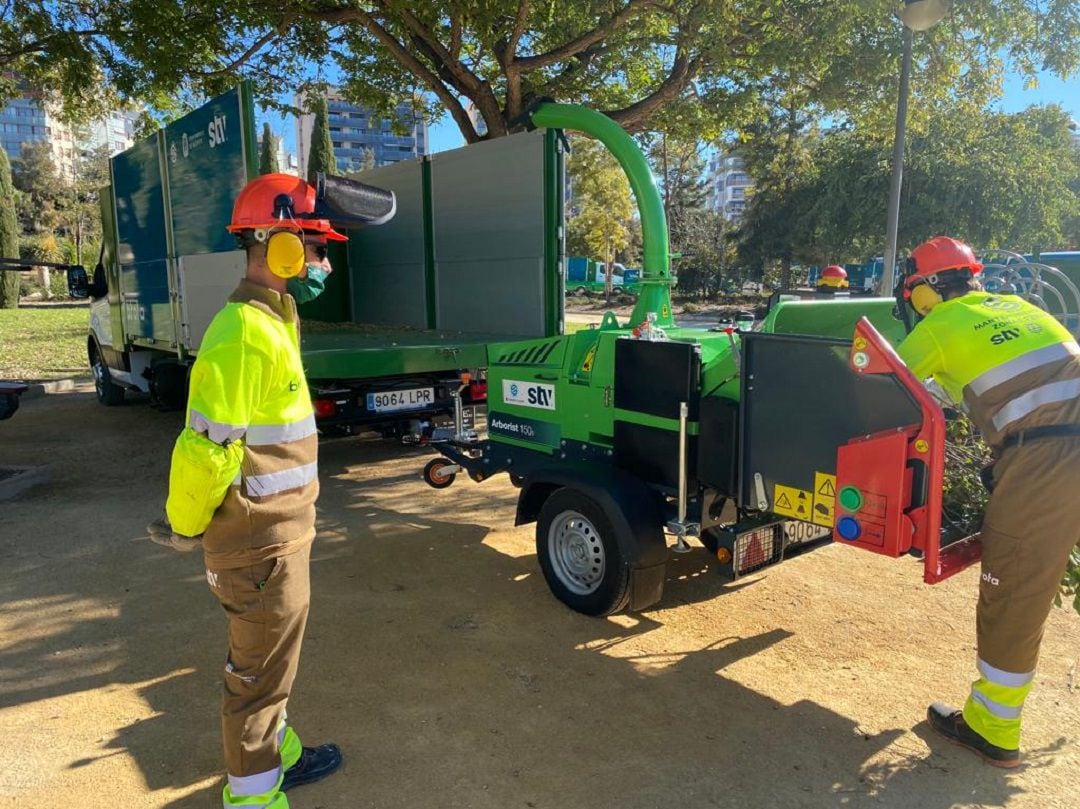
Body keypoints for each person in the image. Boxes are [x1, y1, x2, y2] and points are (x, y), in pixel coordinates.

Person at [148, 173, 346, 808]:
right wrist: (183, 524)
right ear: (279, 243)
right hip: (258, 546)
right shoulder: (242, 334)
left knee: (272, 664)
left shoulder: (274, 320)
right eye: (316, 247)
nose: (323, 261)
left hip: (281, 538)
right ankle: (254, 797)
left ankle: (279, 751)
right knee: (256, 678)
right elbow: (205, 449)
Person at [895, 236, 1080, 768]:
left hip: (1047, 461)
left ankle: (993, 727)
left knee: (1013, 589)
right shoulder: (1020, 307)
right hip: (1059, 448)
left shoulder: (938, 327)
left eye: (913, 293)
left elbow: (885, 391)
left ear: (927, 290)